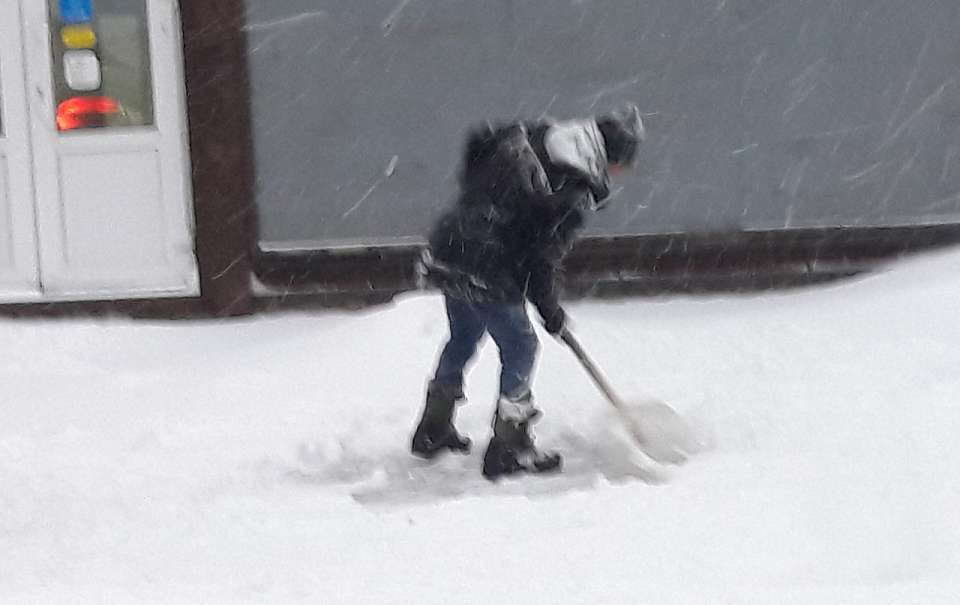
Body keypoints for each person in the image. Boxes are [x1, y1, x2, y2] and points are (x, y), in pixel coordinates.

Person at [412, 105, 645, 479]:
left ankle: (433, 428)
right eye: (624, 165)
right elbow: (541, 258)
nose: (622, 174)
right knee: (521, 345)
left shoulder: (530, 139)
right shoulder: (570, 189)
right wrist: (550, 311)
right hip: (487, 263)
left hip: (449, 245)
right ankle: (510, 446)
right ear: (608, 157)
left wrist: (487, 213)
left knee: (464, 335)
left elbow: (478, 145)